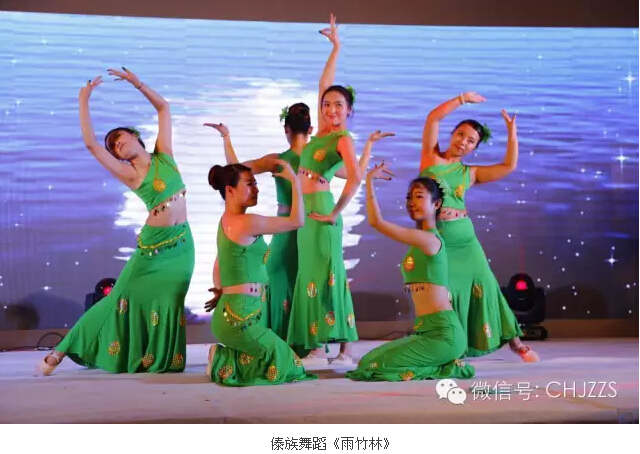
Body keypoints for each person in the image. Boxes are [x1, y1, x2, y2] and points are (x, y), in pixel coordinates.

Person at [36, 68, 194, 375]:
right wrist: (84, 101)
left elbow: (164, 108)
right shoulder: (130, 173)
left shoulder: (164, 155)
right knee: (117, 299)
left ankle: (156, 357)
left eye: (119, 138)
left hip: (183, 246)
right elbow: (92, 145)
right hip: (153, 249)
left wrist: (137, 83)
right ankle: (61, 349)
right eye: (114, 147)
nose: (117, 145)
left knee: (170, 300)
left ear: (134, 135)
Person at [204, 104, 389, 340]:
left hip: (285, 227)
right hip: (311, 222)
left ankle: (278, 339)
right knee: (308, 282)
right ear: (311, 130)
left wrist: (226, 138)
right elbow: (356, 173)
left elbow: (236, 171)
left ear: (286, 129)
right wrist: (369, 146)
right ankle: (310, 340)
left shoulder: (278, 160)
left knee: (279, 280)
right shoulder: (320, 158)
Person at [418, 91, 538, 361]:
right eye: (460, 134)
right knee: (446, 293)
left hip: (465, 239)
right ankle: (452, 348)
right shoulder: (430, 158)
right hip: (437, 240)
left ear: (474, 148)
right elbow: (433, 118)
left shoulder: (470, 173)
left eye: (470, 141)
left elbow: (509, 165)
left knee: (487, 285)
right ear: (452, 134)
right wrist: (461, 99)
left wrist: (512, 133)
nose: (463, 142)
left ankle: (516, 343)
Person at [346, 163, 475, 381]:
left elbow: (377, 222)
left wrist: (369, 182)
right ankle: (443, 365)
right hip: (424, 331)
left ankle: (448, 368)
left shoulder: (429, 239)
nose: (411, 202)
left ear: (436, 204)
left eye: (419, 197)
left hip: (445, 334)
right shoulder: (418, 241)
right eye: (409, 198)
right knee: (367, 362)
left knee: (373, 368)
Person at [204, 162, 317, 386]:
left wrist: (221, 290)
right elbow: (297, 221)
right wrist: (295, 182)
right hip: (239, 318)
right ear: (230, 190)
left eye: (255, 183)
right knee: (290, 365)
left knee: (275, 360)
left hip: (232, 312)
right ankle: (222, 360)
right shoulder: (247, 222)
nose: (256, 189)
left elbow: (218, 265)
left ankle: (227, 358)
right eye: (249, 184)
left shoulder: (225, 222)